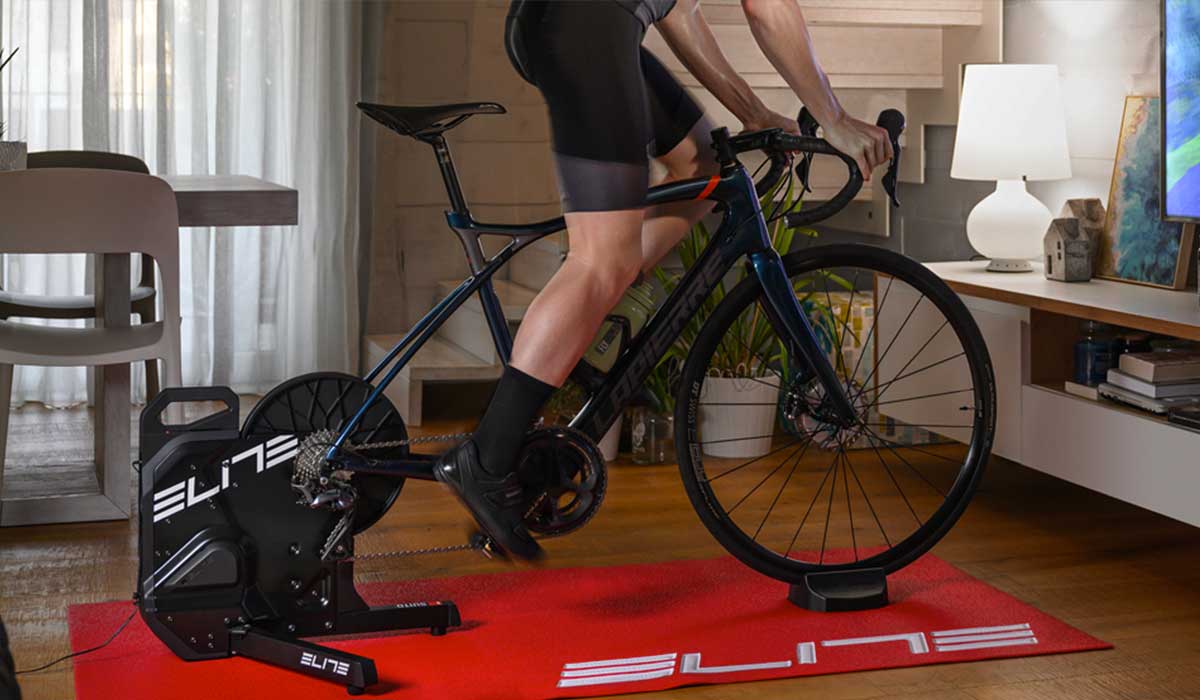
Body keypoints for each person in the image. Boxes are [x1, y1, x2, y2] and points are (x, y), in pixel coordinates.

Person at [435, 0, 894, 560]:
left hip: (575, 22)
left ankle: (583, 322)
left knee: (700, 166)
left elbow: (682, 16)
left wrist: (752, 114)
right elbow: (769, 9)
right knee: (599, 260)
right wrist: (835, 118)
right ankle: (485, 460)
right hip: (587, 23)